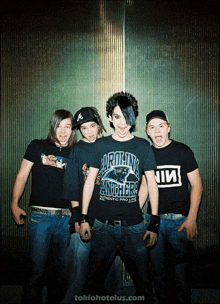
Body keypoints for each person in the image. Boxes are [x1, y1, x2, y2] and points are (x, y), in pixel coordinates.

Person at [79, 92, 160, 303]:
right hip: (102, 227)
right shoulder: (100, 146)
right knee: (92, 285)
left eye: (127, 116)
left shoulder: (143, 146)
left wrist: (154, 223)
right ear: (109, 117)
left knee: (145, 286)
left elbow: (152, 184)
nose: (122, 123)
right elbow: (90, 182)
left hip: (134, 228)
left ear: (134, 117)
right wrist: (83, 218)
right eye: (117, 117)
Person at [11, 109, 76, 304]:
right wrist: (14, 204)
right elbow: (22, 175)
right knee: (36, 270)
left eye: (68, 127)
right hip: (41, 218)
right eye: (59, 126)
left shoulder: (76, 152)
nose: (63, 132)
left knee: (61, 272)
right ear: (52, 127)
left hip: (66, 219)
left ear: (73, 130)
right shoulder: (37, 146)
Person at [61, 106, 121, 303]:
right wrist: (78, 218)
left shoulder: (107, 145)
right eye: (84, 128)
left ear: (99, 125)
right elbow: (71, 185)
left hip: (107, 221)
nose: (89, 132)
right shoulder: (77, 150)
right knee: (78, 274)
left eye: (92, 126)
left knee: (108, 275)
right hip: (84, 219)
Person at [145, 110, 203, 304]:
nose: (157, 131)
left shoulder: (182, 151)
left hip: (180, 222)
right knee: (158, 276)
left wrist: (191, 218)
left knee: (181, 278)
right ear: (147, 131)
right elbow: (144, 186)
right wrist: (136, 216)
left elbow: (197, 185)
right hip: (154, 223)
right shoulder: (147, 154)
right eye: (152, 127)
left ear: (168, 128)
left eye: (161, 126)